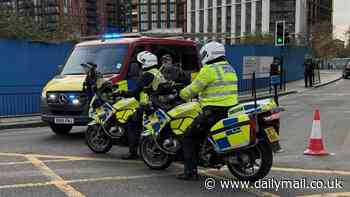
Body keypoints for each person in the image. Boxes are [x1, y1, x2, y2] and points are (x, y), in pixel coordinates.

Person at [177, 41, 239, 180]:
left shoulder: (209, 70)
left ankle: (190, 172)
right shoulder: (230, 68)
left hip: (213, 112)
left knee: (188, 136)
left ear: (208, 54)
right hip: (230, 111)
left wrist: (181, 93)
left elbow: (193, 89)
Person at [120, 51, 166, 160]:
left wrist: (122, 93)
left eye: (140, 64)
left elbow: (135, 92)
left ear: (145, 63)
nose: (139, 66)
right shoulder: (157, 73)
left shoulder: (147, 75)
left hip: (147, 106)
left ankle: (132, 152)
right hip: (158, 104)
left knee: (132, 123)